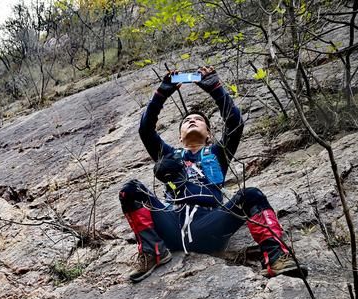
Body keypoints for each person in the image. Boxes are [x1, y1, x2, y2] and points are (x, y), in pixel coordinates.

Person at [120, 66, 307, 282]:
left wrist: (216, 88)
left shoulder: (218, 153)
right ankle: (154, 251)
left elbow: (234, 123)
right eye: (187, 121)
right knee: (130, 190)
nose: (192, 120)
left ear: (209, 134)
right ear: (180, 137)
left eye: (199, 120)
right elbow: (146, 130)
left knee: (251, 195)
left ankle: (276, 258)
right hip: (171, 222)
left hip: (209, 224)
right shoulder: (169, 154)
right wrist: (162, 91)